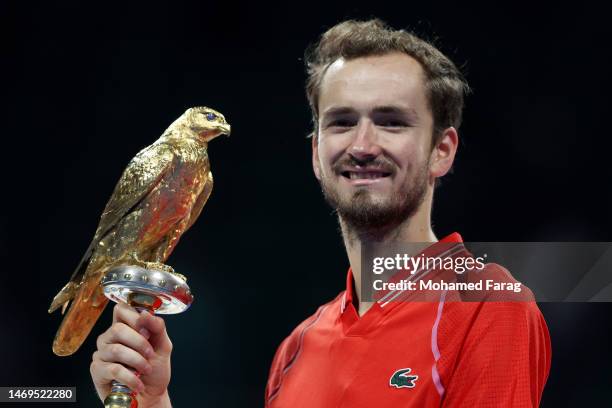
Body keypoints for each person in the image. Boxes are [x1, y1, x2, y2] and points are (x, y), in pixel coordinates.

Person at [90, 19, 551, 407]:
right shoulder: (296, 348)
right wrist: (153, 402)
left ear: (442, 151)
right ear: (316, 153)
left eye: (392, 122)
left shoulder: (487, 307)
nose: (363, 145)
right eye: (342, 122)